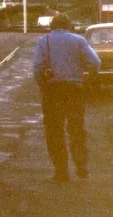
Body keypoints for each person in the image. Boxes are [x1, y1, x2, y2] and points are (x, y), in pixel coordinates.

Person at [31, 13, 101, 182]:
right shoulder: (78, 40)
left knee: (54, 131)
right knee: (76, 128)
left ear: (52, 26)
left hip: (53, 91)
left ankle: (61, 171)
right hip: (74, 90)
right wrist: (88, 80)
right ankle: (81, 165)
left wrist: (43, 86)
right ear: (69, 25)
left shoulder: (44, 41)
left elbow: (36, 68)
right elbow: (95, 63)